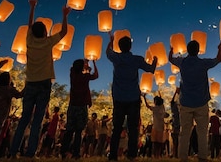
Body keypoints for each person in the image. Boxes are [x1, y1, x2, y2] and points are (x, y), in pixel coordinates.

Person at [10, 0, 71, 158]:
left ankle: (13, 151)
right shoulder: (47, 42)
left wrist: (32, 7)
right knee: (37, 121)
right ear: (45, 32)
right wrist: (64, 15)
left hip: (30, 83)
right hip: (44, 84)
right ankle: (30, 153)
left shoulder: (29, 40)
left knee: (24, 118)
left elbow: (30, 25)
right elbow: (64, 32)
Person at [169, 38, 221, 162]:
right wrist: (220, 47)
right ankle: (202, 156)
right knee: (202, 131)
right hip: (201, 102)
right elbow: (218, 60)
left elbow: (171, 59)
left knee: (184, 132)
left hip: (186, 102)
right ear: (198, 51)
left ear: (187, 50)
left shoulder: (182, 62)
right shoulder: (203, 63)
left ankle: (183, 157)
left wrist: (171, 50)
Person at [106, 33, 157, 161]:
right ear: (130, 46)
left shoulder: (116, 58)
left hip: (118, 97)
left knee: (117, 128)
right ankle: (132, 155)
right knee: (133, 128)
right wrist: (155, 61)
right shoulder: (137, 59)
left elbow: (107, 51)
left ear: (120, 47)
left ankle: (113, 155)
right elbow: (150, 69)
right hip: (133, 98)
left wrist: (111, 41)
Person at [61, 59, 99, 159]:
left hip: (72, 105)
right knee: (78, 132)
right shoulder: (85, 77)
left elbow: (74, 68)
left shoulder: (73, 75)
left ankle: (64, 151)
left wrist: (85, 66)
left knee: (69, 130)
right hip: (82, 107)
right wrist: (93, 63)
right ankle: (76, 153)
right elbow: (96, 75)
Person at [143, 94, 168, 158]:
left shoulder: (155, 108)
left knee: (155, 142)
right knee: (159, 142)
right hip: (161, 127)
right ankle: (158, 155)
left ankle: (154, 155)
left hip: (155, 127)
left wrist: (144, 97)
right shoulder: (162, 108)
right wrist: (160, 94)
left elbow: (147, 106)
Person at [170, 87, 180, 158]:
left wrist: (177, 93)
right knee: (176, 141)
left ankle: (176, 155)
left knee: (176, 141)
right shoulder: (175, 107)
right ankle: (175, 155)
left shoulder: (176, 107)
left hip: (178, 124)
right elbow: (172, 101)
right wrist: (176, 93)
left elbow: (172, 101)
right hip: (176, 125)